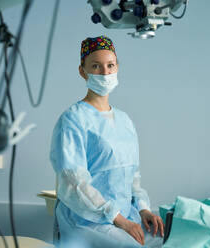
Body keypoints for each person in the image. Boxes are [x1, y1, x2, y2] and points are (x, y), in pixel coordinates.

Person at [50, 35, 164, 248]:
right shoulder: (73, 119)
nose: (105, 72)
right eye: (96, 66)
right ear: (82, 71)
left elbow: (132, 176)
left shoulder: (124, 120)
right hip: (87, 221)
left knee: (167, 241)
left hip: (125, 216)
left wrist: (143, 209)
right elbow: (75, 183)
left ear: (117, 67)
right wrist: (118, 219)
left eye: (110, 65)